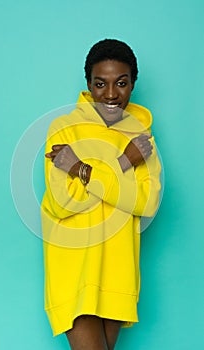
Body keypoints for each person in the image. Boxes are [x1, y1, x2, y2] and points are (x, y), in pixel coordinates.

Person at [41, 39, 161, 350]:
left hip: (118, 269)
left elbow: (146, 202)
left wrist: (82, 171)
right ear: (88, 84)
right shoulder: (65, 129)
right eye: (100, 83)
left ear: (133, 83)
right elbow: (63, 202)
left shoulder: (140, 136)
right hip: (74, 267)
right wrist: (123, 163)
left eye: (121, 83)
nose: (110, 94)